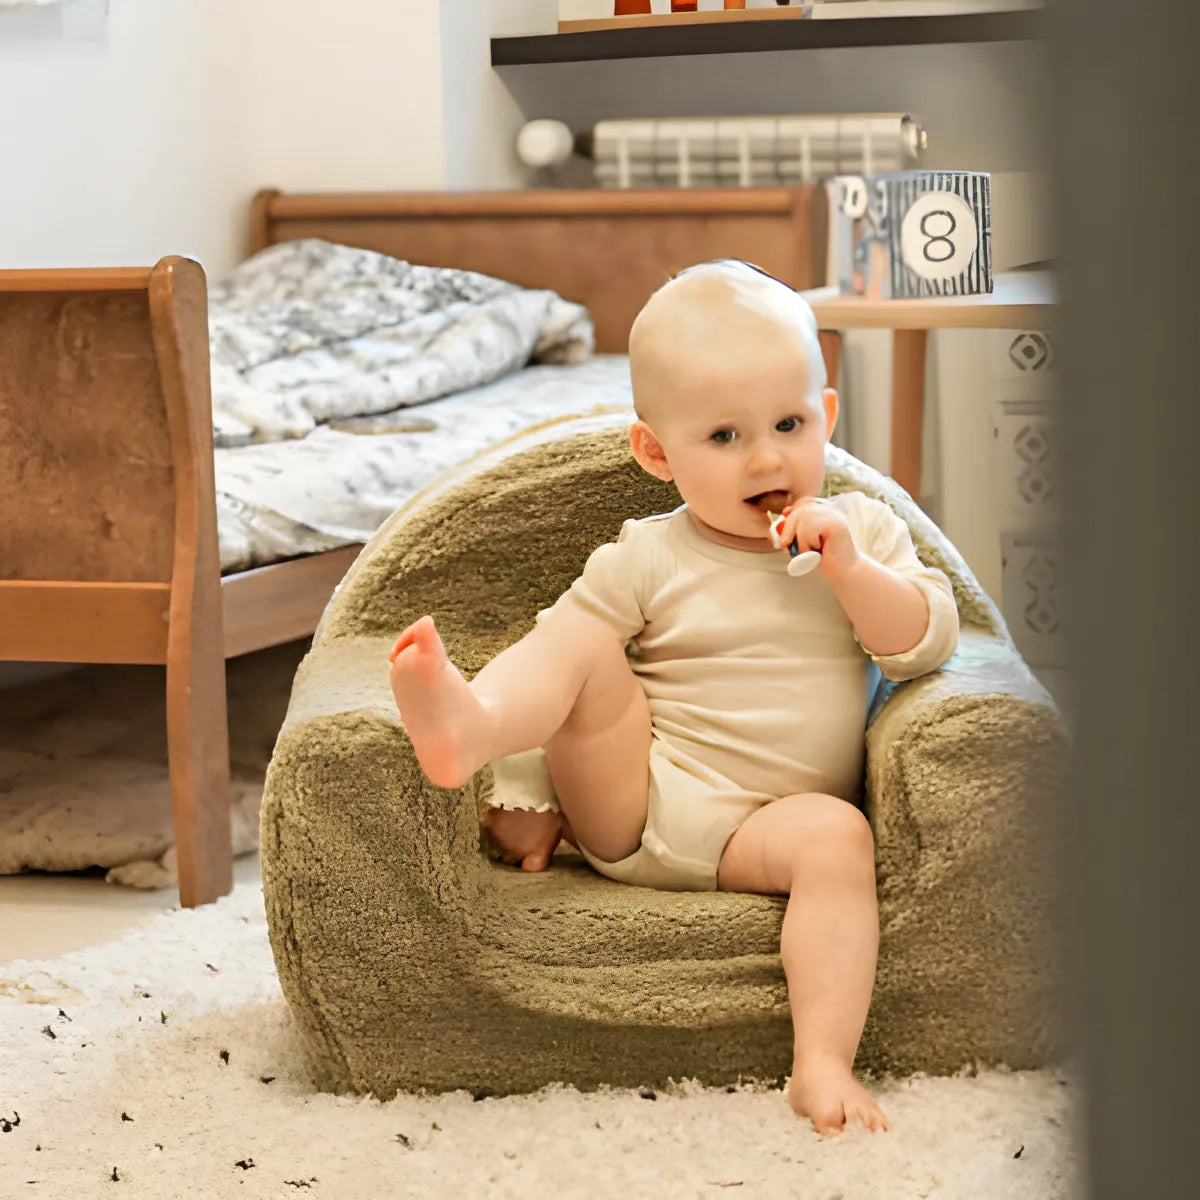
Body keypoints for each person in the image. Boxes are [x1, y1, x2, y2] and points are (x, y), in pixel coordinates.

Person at [389, 259, 959, 1134]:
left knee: (838, 837)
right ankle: (476, 731)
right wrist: (536, 774)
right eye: (724, 438)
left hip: (763, 830)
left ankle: (821, 1063)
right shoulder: (646, 554)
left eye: (788, 422)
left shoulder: (868, 532)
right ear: (657, 453)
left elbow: (925, 643)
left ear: (828, 418)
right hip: (638, 799)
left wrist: (849, 568)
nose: (768, 455)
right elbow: (565, 670)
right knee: (582, 642)